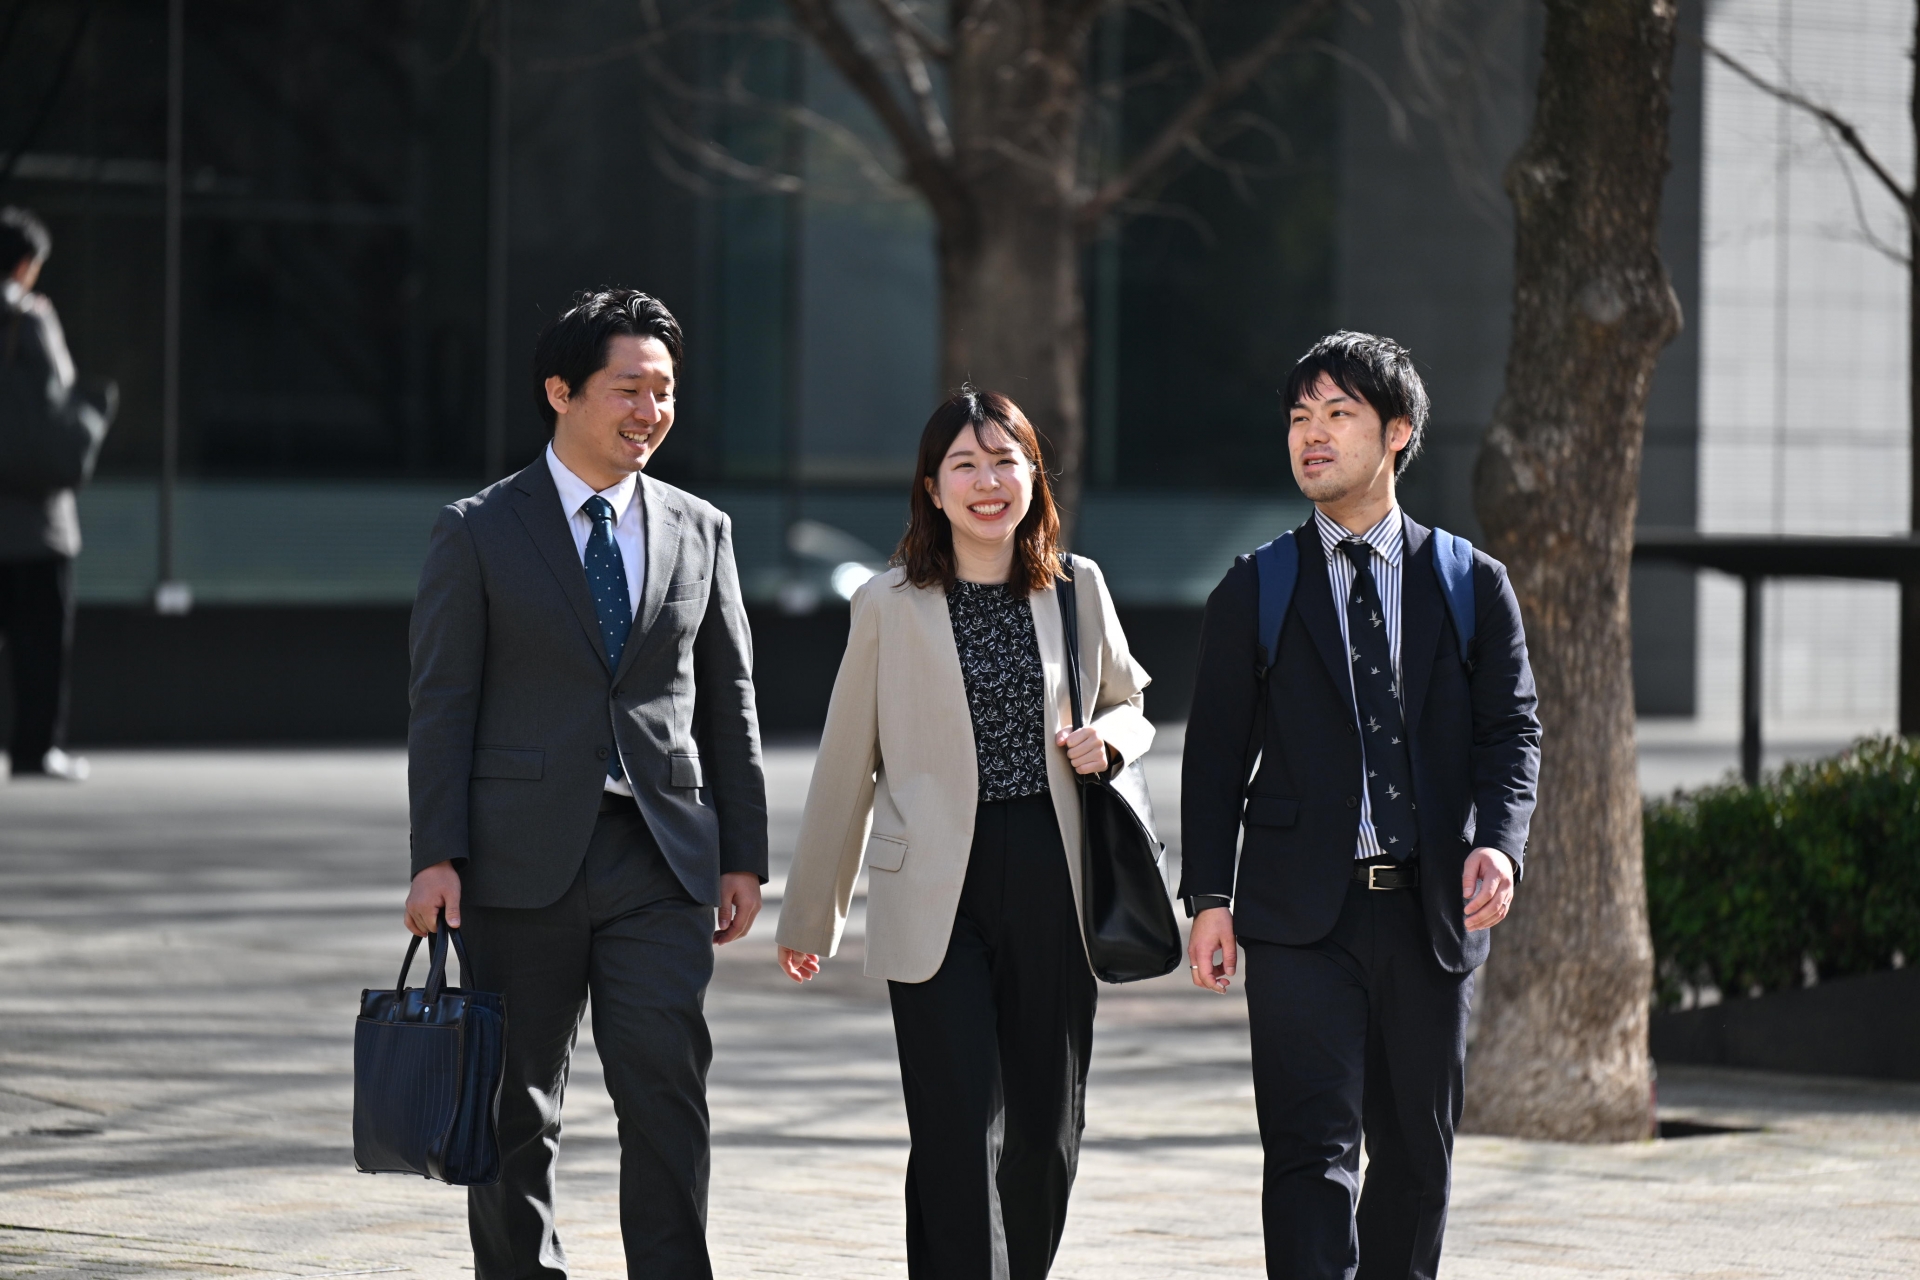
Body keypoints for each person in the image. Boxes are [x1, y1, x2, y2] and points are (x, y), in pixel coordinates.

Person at [403, 288, 767, 1280]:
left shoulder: (702, 528)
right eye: (628, 389)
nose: (652, 410)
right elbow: (441, 704)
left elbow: (729, 701)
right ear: (561, 391)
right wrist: (435, 856)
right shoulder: (477, 529)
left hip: (661, 856)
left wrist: (744, 854)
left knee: (666, 1092)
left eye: (665, 390)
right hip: (516, 861)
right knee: (512, 1104)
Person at [1180, 331, 1541, 1280]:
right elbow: (1213, 759)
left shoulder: (1470, 583)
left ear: (1397, 432)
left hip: (1430, 913)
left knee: (1418, 1160)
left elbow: (1513, 731)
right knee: (1310, 1156)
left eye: (1338, 414)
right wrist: (1209, 899)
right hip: (1300, 919)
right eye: (1300, 417)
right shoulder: (1255, 587)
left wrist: (1500, 845)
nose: (1313, 435)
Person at [776, 388, 1154, 1280]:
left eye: (1004, 461)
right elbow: (847, 760)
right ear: (932, 487)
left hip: (1056, 875)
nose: (988, 482)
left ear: (1033, 476)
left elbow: (1132, 701)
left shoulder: (1077, 586)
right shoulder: (887, 602)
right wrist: (811, 915)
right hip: (932, 886)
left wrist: (1110, 740)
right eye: (965, 465)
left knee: (1045, 1132)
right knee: (953, 1130)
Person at [0, 206, 114, 782]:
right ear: (24, 264)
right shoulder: (30, 319)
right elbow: (52, 405)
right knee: (38, 645)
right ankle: (35, 749)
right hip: (35, 522)